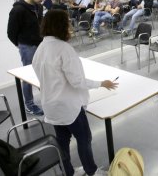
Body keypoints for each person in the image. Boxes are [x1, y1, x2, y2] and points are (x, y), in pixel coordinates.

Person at [32, 9, 117, 176]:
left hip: (51, 105)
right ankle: (92, 171)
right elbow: (77, 81)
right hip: (69, 106)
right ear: (60, 26)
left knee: (62, 142)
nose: (70, 26)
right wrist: (101, 83)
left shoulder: (41, 48)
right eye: (67, 23)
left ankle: (68, 172)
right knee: (84, 140)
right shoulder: (63, 49)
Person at [7, 0, 47, 116]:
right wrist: (21, 45)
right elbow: (11, 33)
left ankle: (47, 100)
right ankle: (29, 105)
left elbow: (40, 25)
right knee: (28, 76)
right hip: (27, 47)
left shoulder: (39, 6)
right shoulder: (18, 10)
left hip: (40, 44)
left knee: (43, 73)